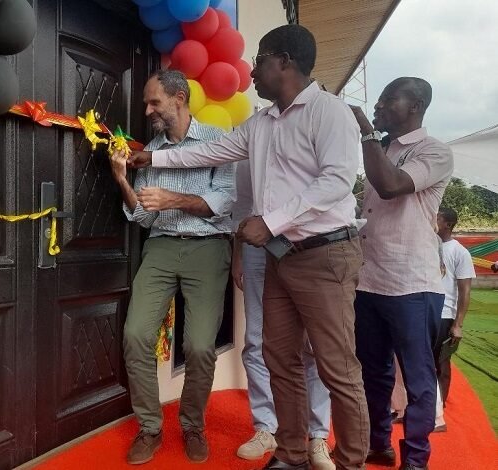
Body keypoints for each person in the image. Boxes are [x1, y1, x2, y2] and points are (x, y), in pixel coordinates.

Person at [125, 24, 369, 470]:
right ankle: (292, 454)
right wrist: (153, 158)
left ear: (284, 62)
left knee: (336, 367)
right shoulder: (260, 122)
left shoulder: (330, 112)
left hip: (325, 253)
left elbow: (336, 182)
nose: (251, 70)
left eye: (259, 59)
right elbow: (207, 154)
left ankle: (351, 461)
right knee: (280, 358)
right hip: (280, 257)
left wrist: (269, 221)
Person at [110, 69, 236, 465]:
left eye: (154, 102)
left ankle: (192, 425)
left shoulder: (219, 141)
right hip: (161, 246)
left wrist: (172, 199)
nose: (147, 110)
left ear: (179, 99)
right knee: (135, 336)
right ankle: (149, 428)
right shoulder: (150, 149)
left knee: (199, 346)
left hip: (208, 248)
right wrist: (122, 181)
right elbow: (144, 217)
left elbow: (226, 200)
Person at [350, 77, 454, 470]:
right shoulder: (385, 148)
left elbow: (391, 186)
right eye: (377, 100)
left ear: (416, 106)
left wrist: (364, 132)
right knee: (373, 373)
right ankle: (379, 443)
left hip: (413, 285)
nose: (377, 105)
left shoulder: (435, 151)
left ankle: (415, 460)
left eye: (388, 99)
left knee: (417, 378)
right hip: (370, 280)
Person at [232, 160, 335, 470]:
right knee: (256, 342)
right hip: (256, 249)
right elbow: (242, 204)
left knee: (313, 347)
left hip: (306, 246)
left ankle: (317, 436)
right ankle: (266, 428)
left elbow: (330, 191)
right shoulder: (253, 137)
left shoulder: (315, 131)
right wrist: (238, 255)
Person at [435, 207, 475, 405]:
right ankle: (424, 404)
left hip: (445, 313)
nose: (433, 220)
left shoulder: (460, 252)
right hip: (425, 310)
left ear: (448, 224)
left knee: (441, 361)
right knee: (422, 360)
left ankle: (440, 406)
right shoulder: (428, 246)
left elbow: (465, 291)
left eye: (438, 218)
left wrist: (458, 324)